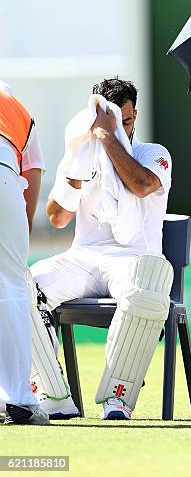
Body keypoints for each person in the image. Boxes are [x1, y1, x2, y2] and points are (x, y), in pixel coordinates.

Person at [29, 77, 173, 420]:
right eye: (111, 123)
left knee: (146, 289)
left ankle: (118, 397)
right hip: (84, 258)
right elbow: (57, 217)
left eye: (125, 122)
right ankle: (52, 393)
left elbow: (140, 185)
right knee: (23, 285)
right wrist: (77, 166)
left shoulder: (153, 154)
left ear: (134, 115)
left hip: (135, 260)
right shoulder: (81, 153)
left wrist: (107, 136)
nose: (120, 130)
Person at [0, 81, 48, 425]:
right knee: (12, 285)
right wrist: (23, 229)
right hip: (3, 176)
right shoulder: (15, 105)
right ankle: (17, 397)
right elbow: (31, 172)